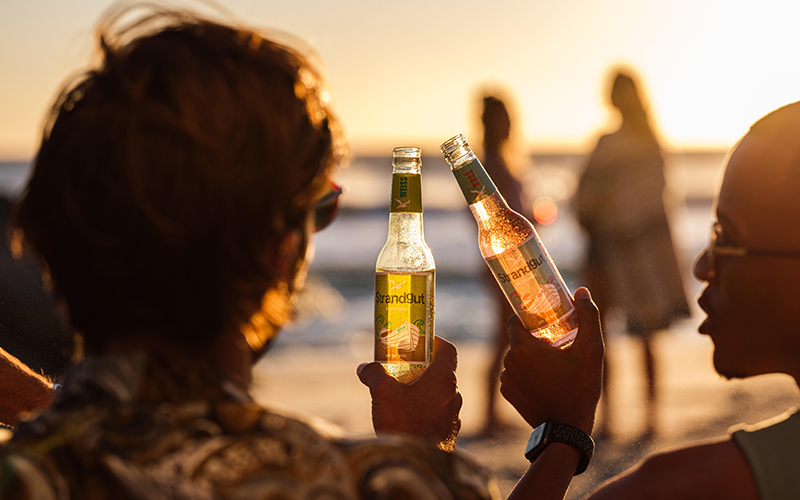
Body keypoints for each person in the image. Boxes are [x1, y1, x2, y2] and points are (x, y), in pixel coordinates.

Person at [0, 5, 605, 499]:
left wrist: (76, 418)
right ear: (277, 250)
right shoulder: (359, 483)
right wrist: (554, 438)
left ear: (52, 238)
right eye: (321, 206)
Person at [582, 101, 800, 499]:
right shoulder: (649, 146)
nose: (702, 266)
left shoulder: (674, 488)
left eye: (727, 237)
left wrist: (561, 437)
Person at [575, 68, 689, 439]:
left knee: (643, 333)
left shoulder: (646, 142)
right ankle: (610, 417)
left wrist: (620, 221)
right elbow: (585, 197)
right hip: (608, 250)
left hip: (637, 253)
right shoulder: (614, 142)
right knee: (604, 335)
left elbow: (654, 199)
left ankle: (649, 416)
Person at [477, 93, 533, 437]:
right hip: (504, 263)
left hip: (513, 261)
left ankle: (493, 413)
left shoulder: (501, 161)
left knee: (507, 335)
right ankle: (489, 416)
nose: (511, 123)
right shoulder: (491, 165)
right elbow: (490, 220)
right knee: (504, 336)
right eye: (505, 117)